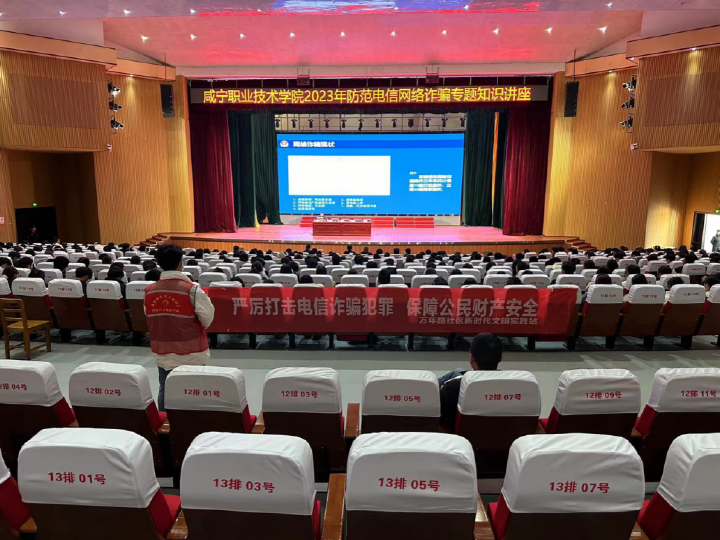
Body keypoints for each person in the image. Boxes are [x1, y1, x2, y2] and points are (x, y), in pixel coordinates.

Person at [144, 244, 215, 412]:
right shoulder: (192, 290)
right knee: (194, 392)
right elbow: (207, 319)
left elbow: (150, 316)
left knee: (165, 389)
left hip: (163, 351)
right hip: (192, 352)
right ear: (180, 264)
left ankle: (165, 424)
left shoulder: (149, 291)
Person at [438, 334, 503, 432]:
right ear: (501, 357)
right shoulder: (519, 387)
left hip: (461, 439)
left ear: (471, 359)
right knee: (457, 372)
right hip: (506, 439)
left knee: (455, 374)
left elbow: (442, 426)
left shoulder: (453, 388)